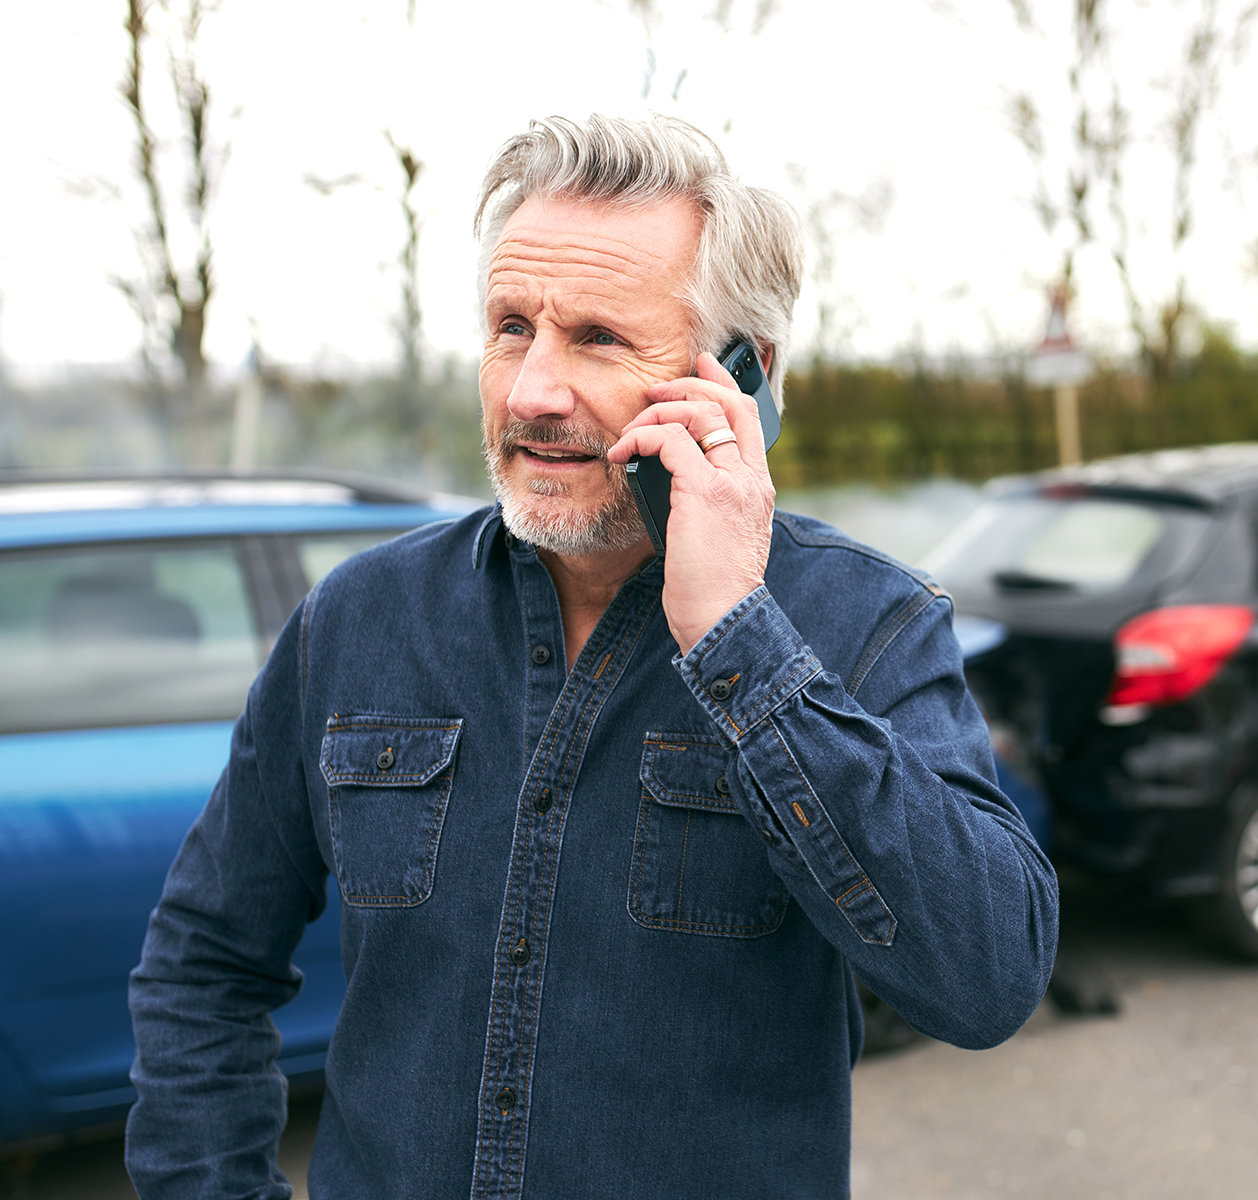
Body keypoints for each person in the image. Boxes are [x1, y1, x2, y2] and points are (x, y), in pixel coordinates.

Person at [126, 114, 1058, 1199]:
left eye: (600, 339)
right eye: (512, 326)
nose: (532, 391)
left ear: (742, 377)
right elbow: (203, 965)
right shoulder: (361, 616)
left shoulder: (866, 621)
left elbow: (988, 979)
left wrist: (740, 643)